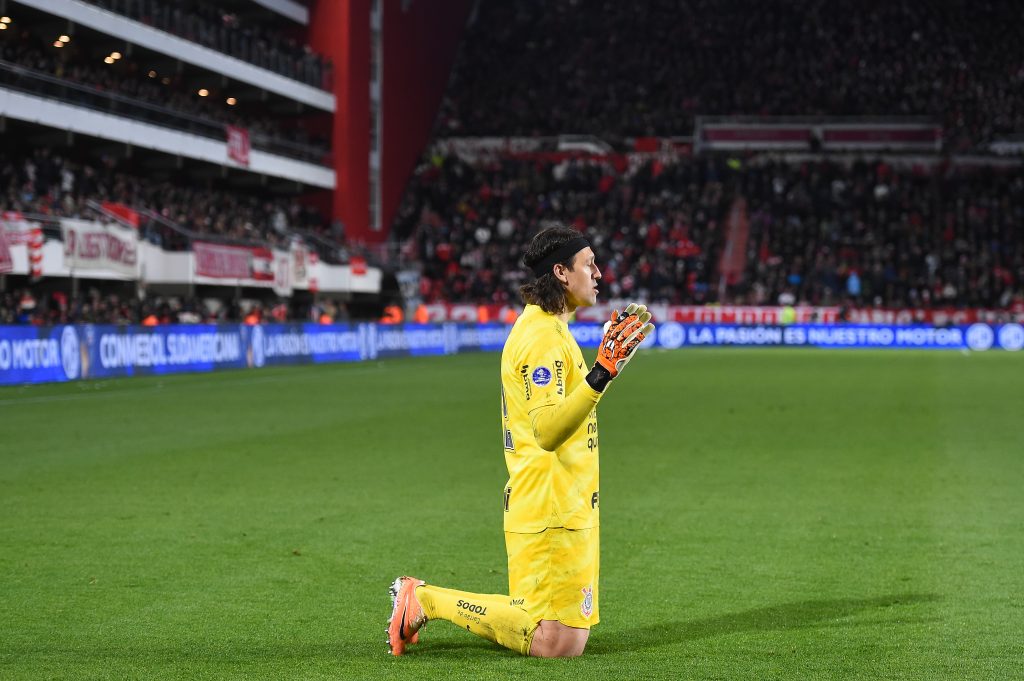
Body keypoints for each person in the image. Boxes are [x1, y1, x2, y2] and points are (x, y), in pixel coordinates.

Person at [386, 225, 654, 658]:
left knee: (566, 638)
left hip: (570, 499)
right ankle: (424, 600)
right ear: (562, 272)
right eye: (589, 264)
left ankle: (425, 600)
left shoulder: (553, 329)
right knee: (554, 642)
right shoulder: (539, 338)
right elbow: (547, 430)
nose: (599, 273)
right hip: (547, 504)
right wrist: (601, 372)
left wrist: (602, 372)